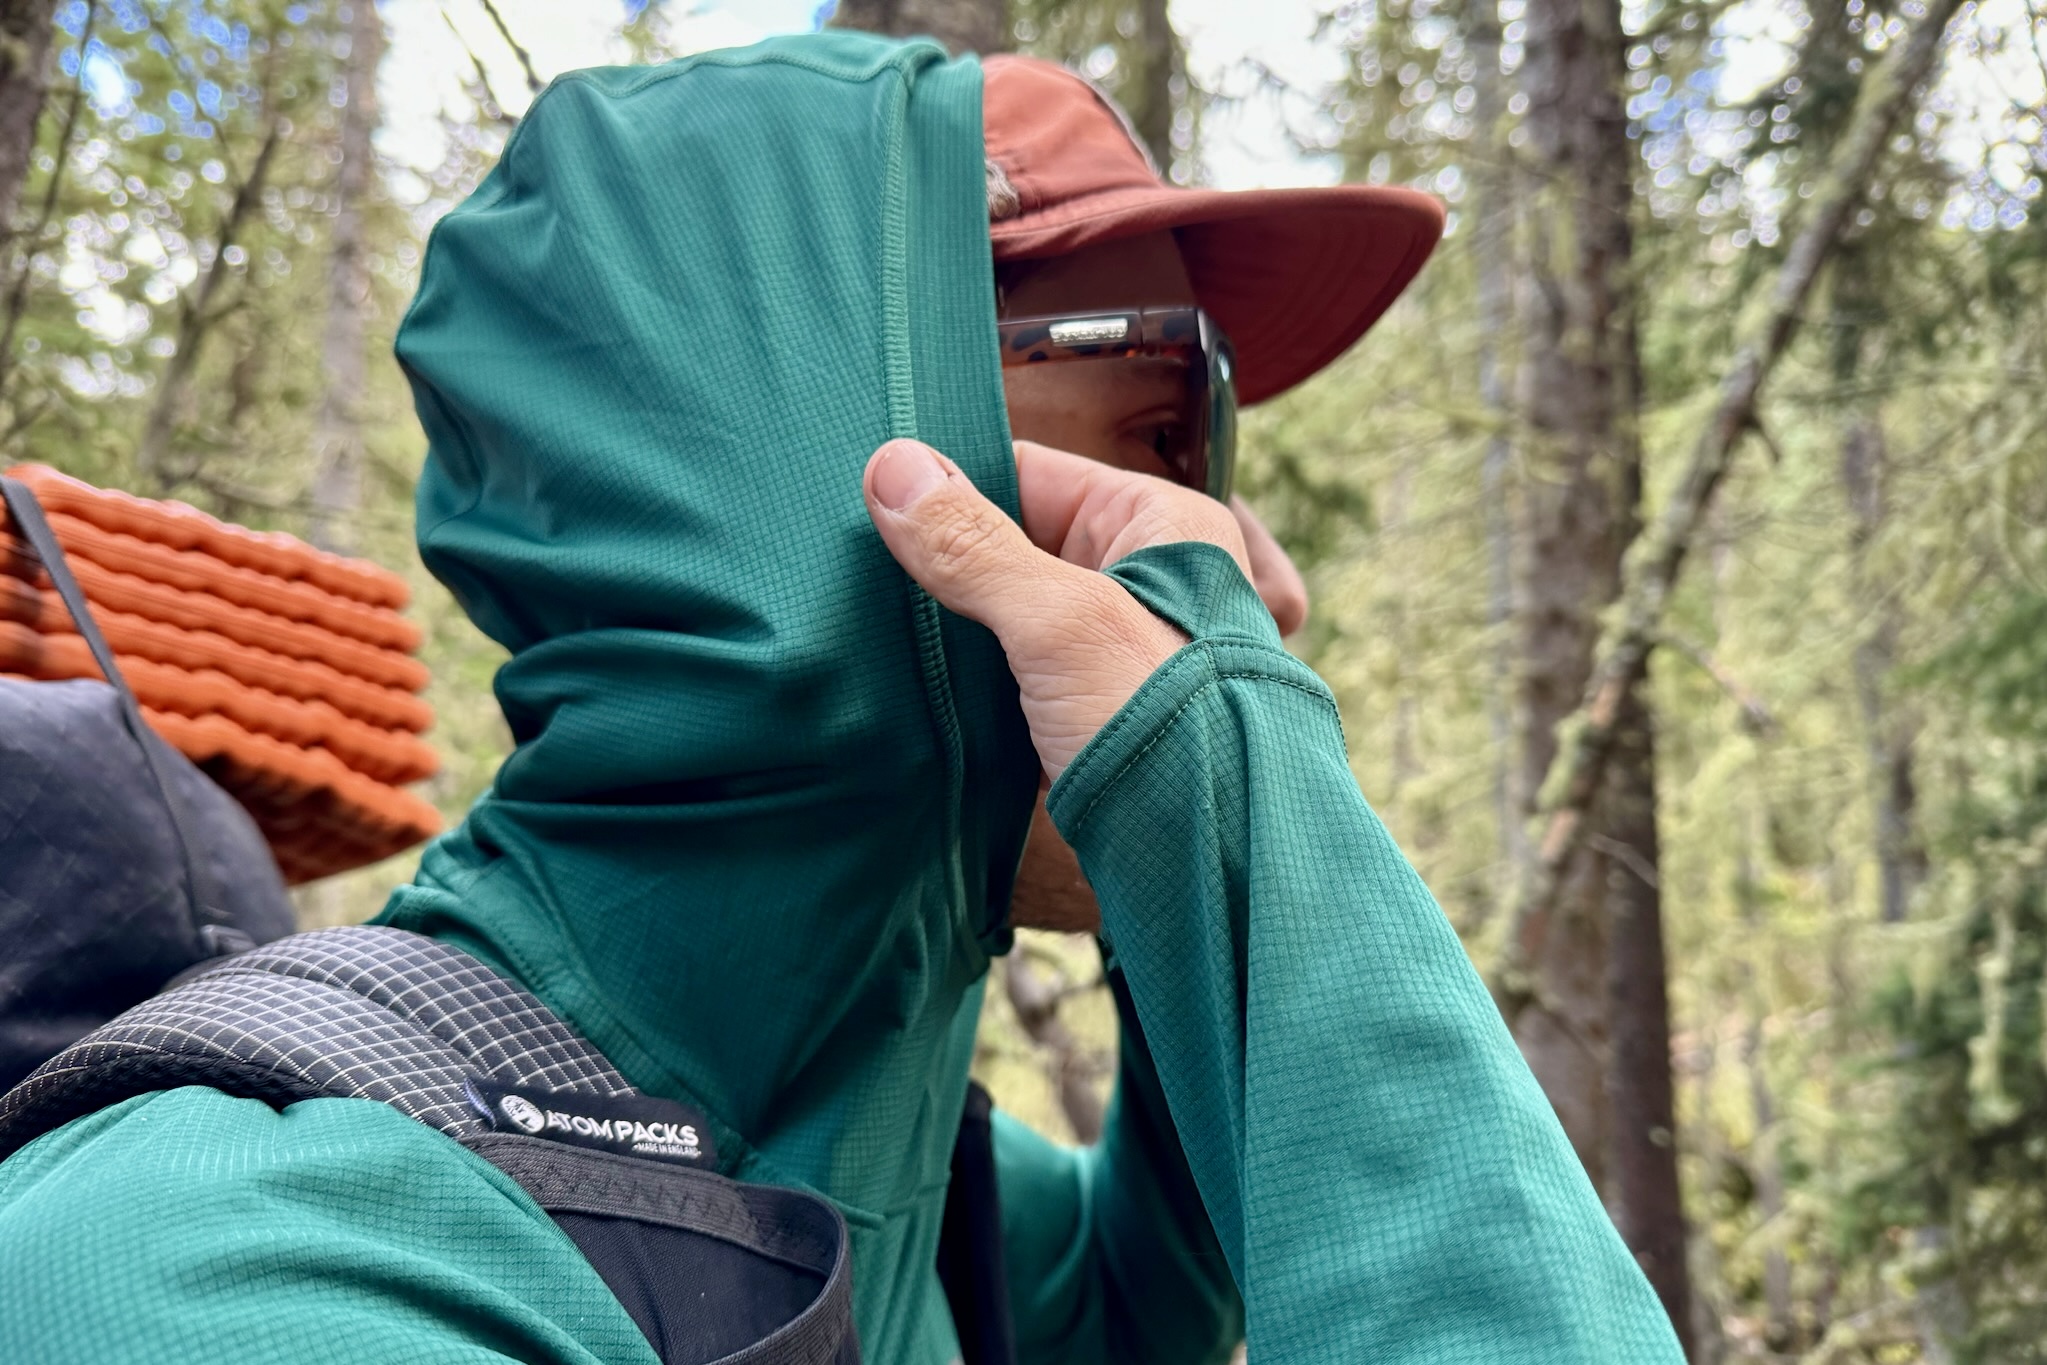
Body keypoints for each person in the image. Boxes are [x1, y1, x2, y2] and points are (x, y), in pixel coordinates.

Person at [0, 34, 1685, 1365]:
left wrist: (1200, 835)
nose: (1222, 547)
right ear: (802, 477)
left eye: (1211, 450)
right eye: (1158, 421)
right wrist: (1222, 767)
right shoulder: (238, 1262)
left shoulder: (879, 1146)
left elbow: (1135, 1314)